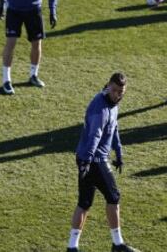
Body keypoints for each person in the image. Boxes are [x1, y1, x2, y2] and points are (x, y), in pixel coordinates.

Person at [66, 73, 138, 252]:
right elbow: (95, 135)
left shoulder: (112, 104)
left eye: (120, 91)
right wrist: (88, 160)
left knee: (84, 203)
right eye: (114, 90)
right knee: (113, 197)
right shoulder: (101, 108)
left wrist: (119, 153)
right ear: (108, 86)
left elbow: (114, 129)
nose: (117, 94)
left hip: (86, 158)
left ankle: (72, 247)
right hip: (95, 159)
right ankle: (117, 244)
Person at [0, 0, 57, 94]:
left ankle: (33, 75)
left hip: (34, 10)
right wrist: (2, 3)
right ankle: (6, 80)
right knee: (11, 42)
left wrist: (52, 10)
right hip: (14, 10)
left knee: (36, 43)